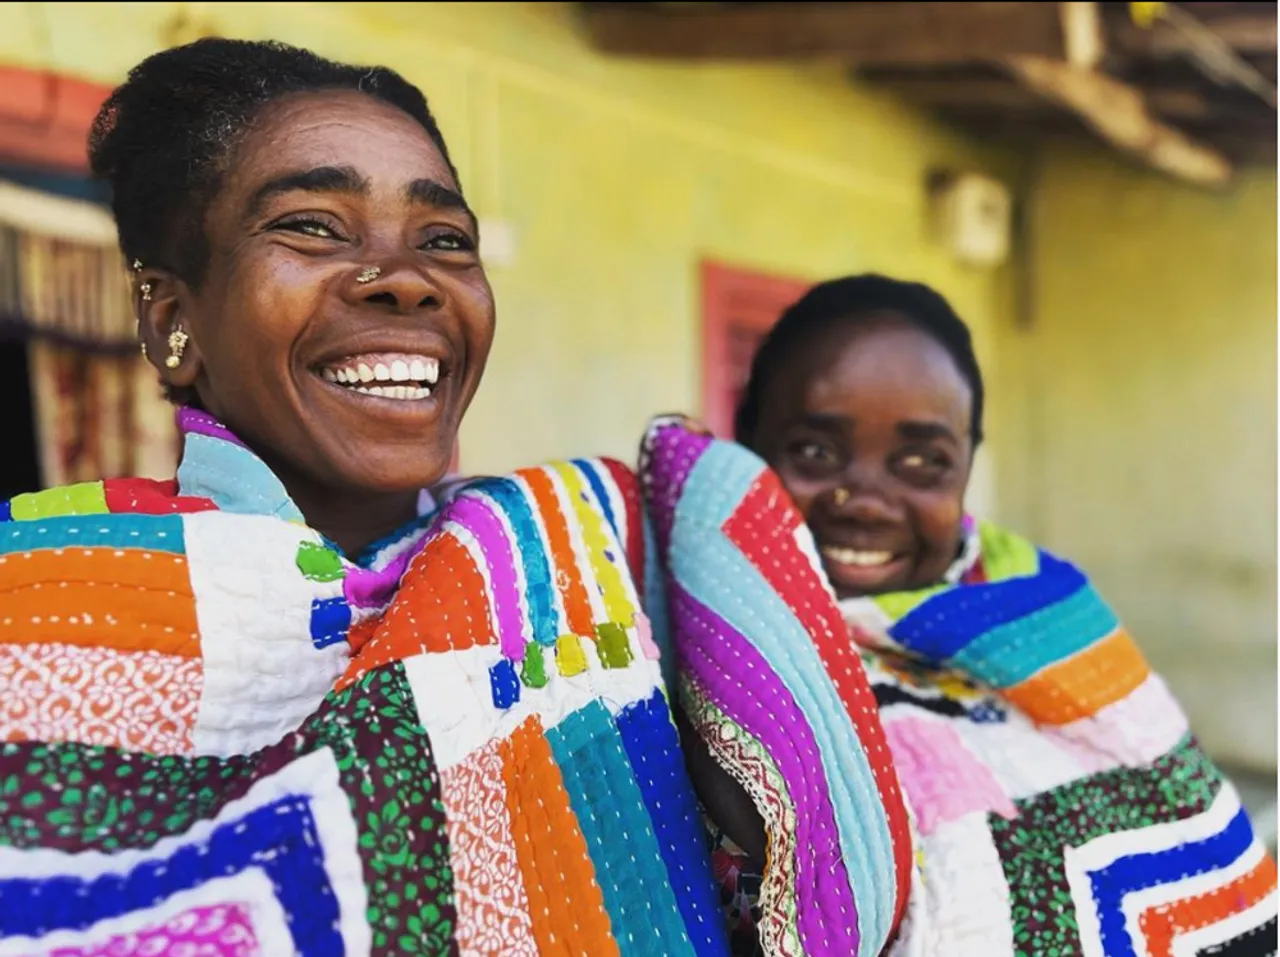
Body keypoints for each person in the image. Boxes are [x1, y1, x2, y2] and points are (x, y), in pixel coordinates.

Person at [0, 39, 733, 956]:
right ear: (171, 317)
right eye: (312, 226)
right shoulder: (35, 604)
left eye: (444, 241)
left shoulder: (597, 562)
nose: (405, 278)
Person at [681, 274, 1277, 956]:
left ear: (965, 465)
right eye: (816, 451)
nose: (866, 499)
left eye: (922, 461)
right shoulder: (694, 651)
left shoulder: (1049, 621)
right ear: (748, 444)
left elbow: (1213, 879)